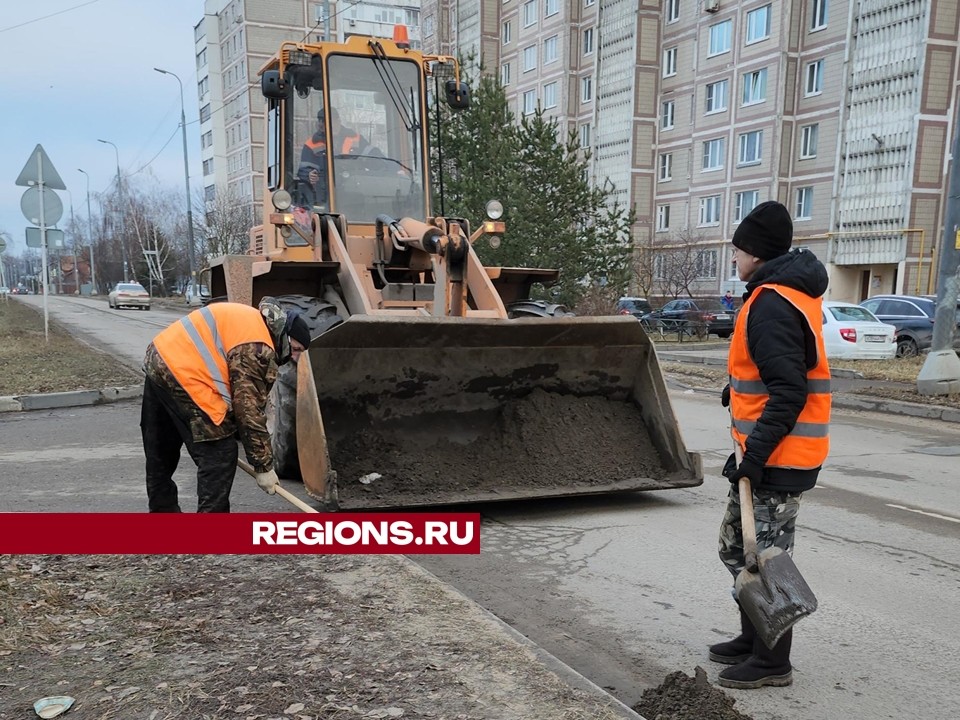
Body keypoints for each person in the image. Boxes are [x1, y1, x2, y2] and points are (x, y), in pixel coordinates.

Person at [712, 201, 830, 689]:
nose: (734, 258)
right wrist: (734, 392)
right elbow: (771, 373)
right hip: (764, 450)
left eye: (737, 250)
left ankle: (772, 661)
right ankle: (753, 635)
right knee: (736, 548)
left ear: (755, 253)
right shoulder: (773, 296)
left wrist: (755, 458)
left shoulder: (773, 304)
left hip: (778, 457)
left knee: (766, 556)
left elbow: (789, 391)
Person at [140, 298, 312, 513]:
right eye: (295, 348)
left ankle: (162, 513)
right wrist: (263, 466)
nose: (294, 357)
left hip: (158, 361)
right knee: (220, 455)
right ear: (285, 335)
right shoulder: (258, 345)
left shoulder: (251, 319)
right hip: (186, 376)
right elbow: (248, 410)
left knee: (160, 447)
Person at [297, 106, 370, 206]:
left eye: (325, 120)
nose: (321, 124)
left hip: (355, 194)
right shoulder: (311, 144)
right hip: (323, 197)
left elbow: (373, 156)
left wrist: (394, 169)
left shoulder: (356, 138)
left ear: (338, 121)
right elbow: (303, 170)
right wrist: (308, 175)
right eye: (320, 121)